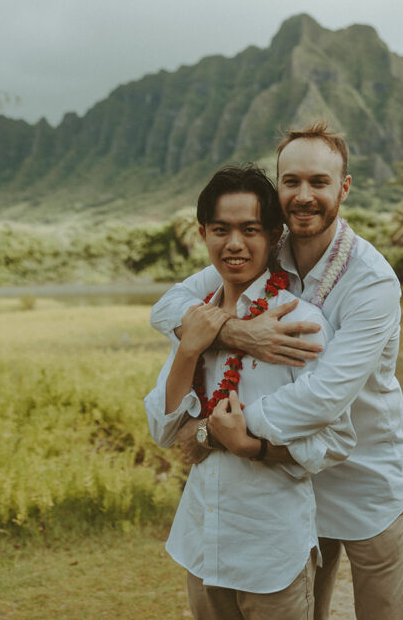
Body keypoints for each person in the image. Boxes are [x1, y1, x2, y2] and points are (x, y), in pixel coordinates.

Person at [151, 122, 403, 619]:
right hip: (288, 476)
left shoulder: (372, 282)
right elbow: (168, 307)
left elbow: (324, 398)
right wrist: (237, 333)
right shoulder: (262, 249)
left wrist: (218, 431)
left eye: (319, 181)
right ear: (278, 189)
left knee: (383, 611)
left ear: (345, 187)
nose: (304, 195)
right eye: (291, 181)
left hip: (362, 472)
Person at [143, 164, 355, 620]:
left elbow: (335, 440)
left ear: (275, 235)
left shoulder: (301, 324)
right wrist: (189, 348)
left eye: (250, 230)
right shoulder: (195, 319)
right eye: (220, 230)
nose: (234, 244)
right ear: (203, 233)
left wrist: (249, 445)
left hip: (272, 554)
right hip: (203, 544)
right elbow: (164, 429)